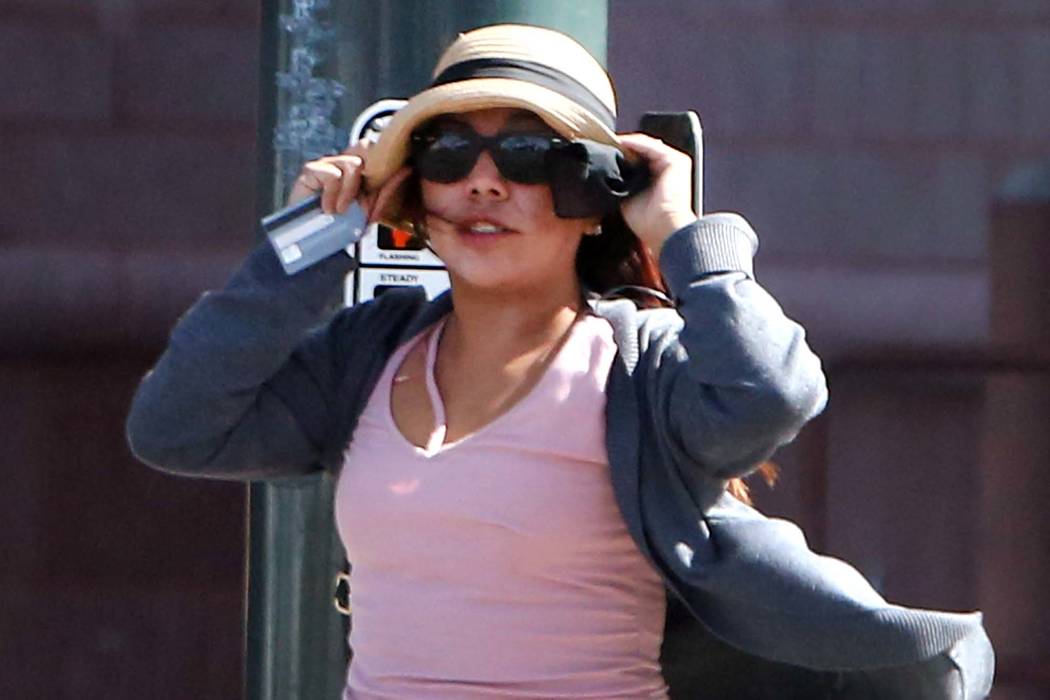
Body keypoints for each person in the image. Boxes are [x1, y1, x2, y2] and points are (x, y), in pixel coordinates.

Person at [127, 24, 993, 700]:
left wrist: (688, 240)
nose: (485, 183)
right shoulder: (369, 354)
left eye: (531, 155)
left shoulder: (636, 366)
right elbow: (176, 429)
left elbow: (771, 396)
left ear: (592, 198)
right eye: (449, 153)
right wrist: (306, 247)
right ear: (413, 194)